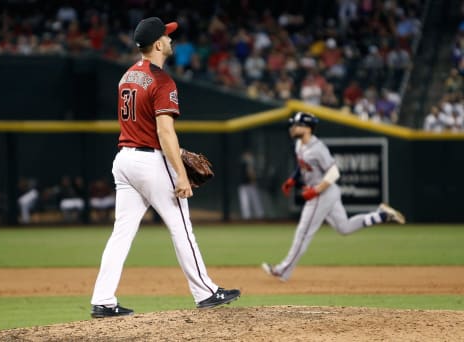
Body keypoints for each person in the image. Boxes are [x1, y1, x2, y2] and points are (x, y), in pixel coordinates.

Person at [90, 17, 240, 318]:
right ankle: (206, 292)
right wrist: (182, 175)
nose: (171, 40)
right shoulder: (162, 80)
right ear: (158, 44)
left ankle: (103, 299)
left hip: (124, 160)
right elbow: (164, 131)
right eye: (167, 37)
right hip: (150, 161)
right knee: (181, 226)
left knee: (121, 233)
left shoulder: (127, 76)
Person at [262, 112, 405, 282]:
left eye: (296, 125)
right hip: (326, 193)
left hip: (322, 193)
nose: (292, 128)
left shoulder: (318, 148)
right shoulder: (299, 144)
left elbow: (334, 172)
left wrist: (316, 190)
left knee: (303, 232)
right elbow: (303, 166)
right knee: (344, 228)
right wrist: (292, 179)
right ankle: (381, 215)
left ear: (307, 128)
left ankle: (283, 270)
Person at [238, 150, 264, 220]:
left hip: (252, 185)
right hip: (244, 186)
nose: (248, 156)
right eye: (247, 155)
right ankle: (247, 218)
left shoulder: (253, 163)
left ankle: (260, 217)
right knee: (245, 204)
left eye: (249, 155)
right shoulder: (243, 164)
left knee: (256, 202)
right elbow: (250, 173)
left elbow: (252, 173)